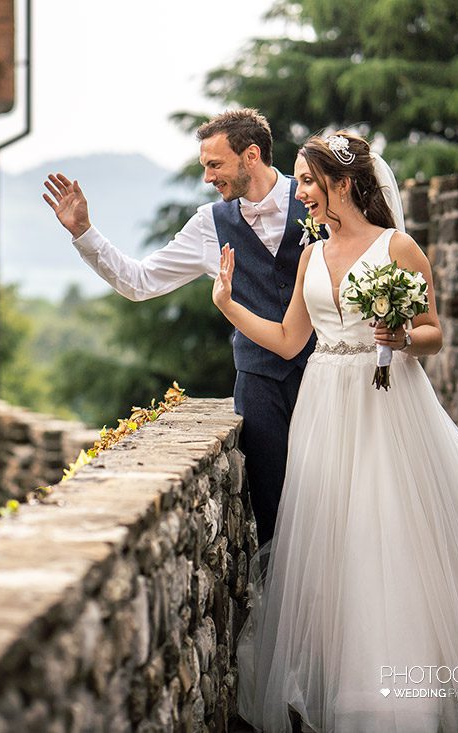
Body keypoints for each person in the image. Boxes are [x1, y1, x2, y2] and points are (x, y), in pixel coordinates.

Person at [212, 132, 458, 732]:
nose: (302, 194)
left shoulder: (398, 248)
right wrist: (229, 305)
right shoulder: (310, 255)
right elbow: (292, 339)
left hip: (385, 406)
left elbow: (432, 332)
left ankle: (402, 695)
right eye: (300, 182)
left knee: (387, 529)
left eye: (309, 182)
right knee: (333, 536)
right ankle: (343, 678)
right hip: (324, 406)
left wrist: (398, 339)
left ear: (342, 184)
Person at [41, 109, 323, 548]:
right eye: (204, 167)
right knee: (273, 521)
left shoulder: (314, 199)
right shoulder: (209, 224)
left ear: (251, 155)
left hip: (328, 376)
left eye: (215, 165)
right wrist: (84, 233)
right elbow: (140, 282)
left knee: (337, 501)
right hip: (261, 386)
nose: (208, 178)